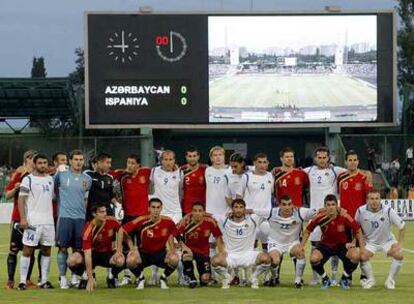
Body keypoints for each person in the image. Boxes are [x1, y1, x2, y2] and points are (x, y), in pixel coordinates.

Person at [251, 195, 316, 288]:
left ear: (292, 205)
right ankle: (274, 278)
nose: (287, 207)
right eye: (284, 204)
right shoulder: (271, 212)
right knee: (275, 260)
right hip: (275, 243)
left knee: (300, 252)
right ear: (279, 205)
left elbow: (316, 211)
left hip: (292, 242)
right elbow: (253, 211)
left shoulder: (300, 212)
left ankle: (298, 281)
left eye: (289, 204)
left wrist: (333, 210)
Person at [300, 194, 363, 289]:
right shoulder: (319, 217)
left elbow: (358, 230)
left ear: (337, 206)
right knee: (313, 258)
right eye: (328, 205)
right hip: (325, 245)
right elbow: (307, 231)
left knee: (356, 255)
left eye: (333, 204)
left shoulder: (344, 216)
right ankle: (325, 279)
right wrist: (301, 246)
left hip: (342, 245)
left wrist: (361, 247)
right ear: (325, 206)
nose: (331, 207)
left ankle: (344, 279)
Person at [304, 146, 346, 285]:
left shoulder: (335, 170)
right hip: (316, 214)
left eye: (324, 157)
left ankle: (334, 276)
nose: (322, 160)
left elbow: (353, 171)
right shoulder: (309, 171)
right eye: (319, 158)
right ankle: (316, 276)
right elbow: (293, 172)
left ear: (329, 158)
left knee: (335, 245)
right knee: (315, 246)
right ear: (315, 158)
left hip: (332, 214)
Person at [117, 198, 179, 290]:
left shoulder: (168, 221)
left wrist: (172, 250)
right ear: (149, 208)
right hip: (143, 254)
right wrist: (128, 248)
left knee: (175, 259)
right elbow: (121, 230)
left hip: (160, 254)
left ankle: (163, 278)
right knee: (130, 260)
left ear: (161, 208)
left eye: (158, 207)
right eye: (153, 207)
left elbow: (172, 234)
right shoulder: (141, 220)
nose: (156, 210)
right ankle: (141, 278)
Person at [211, 199, 271, 289]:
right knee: (214, 261)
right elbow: (209, 215)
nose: (238, 210)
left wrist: (252, 211)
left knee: (267, 259)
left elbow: (269, 212)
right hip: (231, 256)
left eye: (241, 207)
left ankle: (253, 277)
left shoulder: (253, 219)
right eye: (236, 207)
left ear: (244, 209)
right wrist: (189, 215)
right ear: (232, 209)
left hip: (249, 255)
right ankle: (227, 277)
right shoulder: (224, 221)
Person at [111, 154, 151, 286]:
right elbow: (108, 172)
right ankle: (127, 276)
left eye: (133, 163)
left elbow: (161, 170)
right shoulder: (122, 176)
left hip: (143, 217)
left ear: (138, 165)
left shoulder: (146, 172)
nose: (130, 165)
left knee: (141, 247)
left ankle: (141, 275)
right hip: (128, 216)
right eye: (128, 162)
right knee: (125, 246)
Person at [54, 150, 92, 289]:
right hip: (65, 217)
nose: (78, 162)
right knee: (62, 248)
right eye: (75, 159)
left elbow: (86, 199)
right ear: (70, 161)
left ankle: (75, 276)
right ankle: (62, 278)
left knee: (78, 249)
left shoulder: (87, 180)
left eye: (81, 159)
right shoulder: (62, 175)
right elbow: (53, 190)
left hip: (80, 218)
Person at [17, 153, 55, 290]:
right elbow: (21, 199)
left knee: (46, 250)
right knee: (27, 250)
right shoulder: (28, 179)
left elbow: (52, 199)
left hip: (48, 222)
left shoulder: (50, 179)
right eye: (40, 163)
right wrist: (23, 218)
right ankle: (22, 281)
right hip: (33, 221)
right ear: (34, 164)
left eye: (45, 163)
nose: (43, 165)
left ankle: (44, 280)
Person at [67, 205, 125, 291]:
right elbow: (87, 255)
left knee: (121, 260)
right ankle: (85, 276)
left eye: (105, 211)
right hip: (92, 254)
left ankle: (111, 276)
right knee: (71, 260)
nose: (105, 214)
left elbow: (120, 229)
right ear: (94, 214)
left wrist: (119, 250)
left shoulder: (111, 220)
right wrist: (90, 279)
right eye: (101, 212)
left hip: (106, 254)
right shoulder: (88, 229)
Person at [356, 190, 406, 289]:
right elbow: (356, 229)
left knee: (399, 255)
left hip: (387, 241)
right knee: (362, 256)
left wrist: (399, 245)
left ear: (380, 200)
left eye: (377, 198)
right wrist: (361, 246)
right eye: (372, 198)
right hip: (370, 242)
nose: (374, 201)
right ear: (367, 200)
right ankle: (371, 280)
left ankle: (390, 280)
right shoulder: (360, 211)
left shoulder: (388, 211)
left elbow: (402, 227)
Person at [4, 150, 37, 290]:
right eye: (34, 159)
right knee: (14, 250)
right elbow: (7, 195)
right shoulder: (19, 174)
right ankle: (10, 281)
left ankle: (27, 279)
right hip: (19, 217)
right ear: (28, 159)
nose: (36, 161)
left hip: (34, 219)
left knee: (30, 250)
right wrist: (16, 188)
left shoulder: (39, 175)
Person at [150, 150, 183, 284]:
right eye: (166, 159)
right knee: (157, 246)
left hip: (175, 213)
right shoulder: (154, 172)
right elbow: (148, 187)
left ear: (174, 160)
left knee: (177, 245)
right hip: (160, 213)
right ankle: (154, 275)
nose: (168, 162)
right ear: (161, 160)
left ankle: (182, 276)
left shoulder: (179, 172)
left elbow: (182, 191)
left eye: (171, 159)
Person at [175, 201, 224, 288]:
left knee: (205, 279)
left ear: (204, 212)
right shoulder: (186, 220)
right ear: (192, 212)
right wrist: (183, 246)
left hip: (203, 252)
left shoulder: (210, 222)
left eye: (200, 211)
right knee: (187, 256)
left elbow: (218, 237)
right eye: (195, 211)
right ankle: (191, 278)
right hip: (189, 250)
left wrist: (221, 253)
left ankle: (204, 277)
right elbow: (175, 233)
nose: (197, 213)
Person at [338, 150, 373, 218]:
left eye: (355, 160)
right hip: (345, 217)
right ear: (346, 162)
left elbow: (369, 197)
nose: (353, 162)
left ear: (358, 161)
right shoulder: (341, 177)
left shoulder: (365, 177)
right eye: (350, 160)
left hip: (360, 217)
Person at [85, 153, 115, 220]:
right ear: (99, 163)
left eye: (110, 163)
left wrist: (117, 204)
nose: (109, 165)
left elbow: (111, 195)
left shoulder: (109, 177)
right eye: (107, 163)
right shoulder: (87, 175)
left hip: (107, 212)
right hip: (92, 214)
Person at [180, 146, 207, 215]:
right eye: (190, 156)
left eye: (194, 156)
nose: (192, 158)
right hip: (187, 207)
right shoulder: (181, 170)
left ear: (198, 156)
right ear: (186, 157)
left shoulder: (205, 169)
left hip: (202, 207)